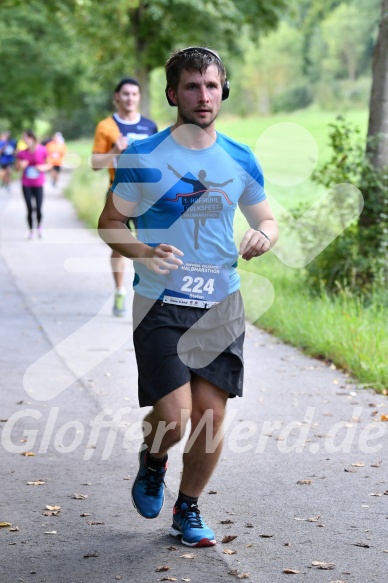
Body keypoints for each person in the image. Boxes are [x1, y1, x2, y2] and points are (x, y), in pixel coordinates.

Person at [98, 47, 278, 547]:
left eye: (212, 86)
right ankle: (154, 460)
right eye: (193, 86)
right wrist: (143, 249)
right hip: (161, 301)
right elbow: (110, 224)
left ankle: (189, 507)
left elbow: (265, 217)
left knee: (211, 417)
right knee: (175, 417)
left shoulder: (239, 157)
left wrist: (265, 233)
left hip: (220, 302)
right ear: (173, 94)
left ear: (223, 91)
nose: (204, 96)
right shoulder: (143, 156)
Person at [91, 77, 158, 317]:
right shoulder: (106, 127)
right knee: (119, 246)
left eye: (134, 94)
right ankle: (120, 290)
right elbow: (95, 164)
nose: (130, 98)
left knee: (150, 244)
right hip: (118, 194)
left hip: (147, 195)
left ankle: (149, 295)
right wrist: (114, 151)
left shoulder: (150, 126)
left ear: (139, 97)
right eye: (125, 94)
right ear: (116, 97)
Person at [15, 130, 50, 239]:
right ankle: (30, 230)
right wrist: (21, 166)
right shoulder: (22, 153)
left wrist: (42, 167)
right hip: (26, 184)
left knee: (38, 208)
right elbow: (16, 169)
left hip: (38, 183)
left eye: (25, 138)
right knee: (29, 208)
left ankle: (39, 226)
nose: (24, 140)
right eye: (23, 138)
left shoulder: (43, 150)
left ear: (32, 138)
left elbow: (49, 164)